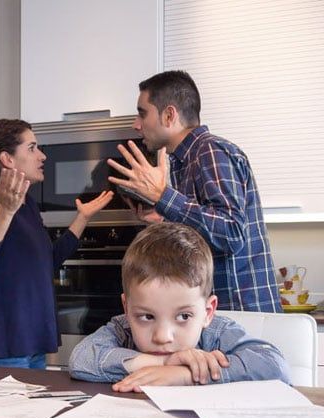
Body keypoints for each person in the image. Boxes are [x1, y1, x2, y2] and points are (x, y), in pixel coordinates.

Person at [107, 70, 281, 313]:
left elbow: (230, 233)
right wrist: (164, 219)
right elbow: (206, 233)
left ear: (169, 115)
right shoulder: (182, 162)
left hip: (242, 314)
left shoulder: (210, 151)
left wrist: (162, 196)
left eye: (142, 113)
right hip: (219, 313)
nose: (136, 125)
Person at [0, 119, 113, 369]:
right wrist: (5, 211)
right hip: (3, 348)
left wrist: (83, 217)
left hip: (31, 345)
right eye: (32, 148)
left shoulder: (27, 206)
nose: (42, 156)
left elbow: (49, 261)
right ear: (8, 159)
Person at [68, 223, 291, 392]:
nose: (163, 337)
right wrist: (163, 362)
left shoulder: (218, 332)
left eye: (184, 316)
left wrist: (185, 374)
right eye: (147, 316)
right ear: (126, 308)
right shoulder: (122, 328)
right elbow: (81, 360)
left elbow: (275, 366)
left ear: (208, 312)